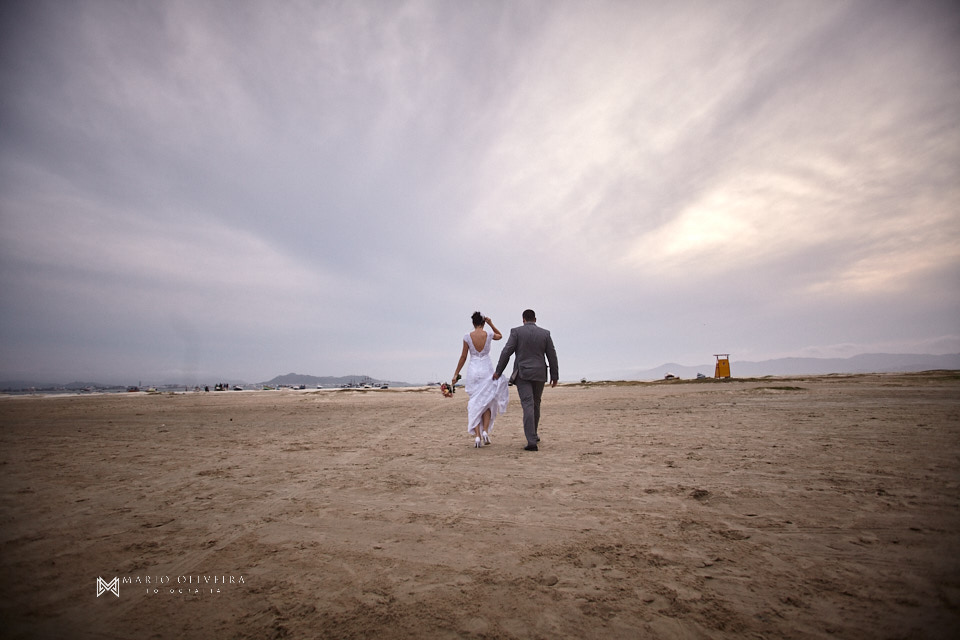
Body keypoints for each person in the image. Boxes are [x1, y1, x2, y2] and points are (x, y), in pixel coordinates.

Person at [493, 309, 559, 451]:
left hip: (523, 374)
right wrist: (554, 376)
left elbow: (506, 352)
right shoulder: (545, 334)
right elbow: (552, 355)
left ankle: (531, 441)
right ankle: (533, 435)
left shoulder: (516, 332)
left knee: (528, 404)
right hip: (540, 373)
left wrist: (498, 371)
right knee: (536, 404)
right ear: (535, 319)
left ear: (523, 319)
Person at [453, 312, 510, 448]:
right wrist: (491, 323)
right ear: (483, 323)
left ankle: (478, 436)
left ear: (473, 323)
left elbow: (463, 356)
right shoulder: (488, 334)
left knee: (475, 403)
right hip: (486, 369)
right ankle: (485, 431)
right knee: (487, 402)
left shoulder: (467, 337)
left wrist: (456, 373)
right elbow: (500, 335)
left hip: (473, 370)